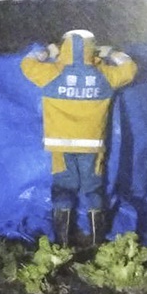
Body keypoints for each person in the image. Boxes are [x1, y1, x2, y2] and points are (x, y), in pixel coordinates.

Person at [21, 30, 137, 248]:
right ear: (91, 47)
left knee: (63, 189)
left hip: (60, 145)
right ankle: (96, 243)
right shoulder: (103, 75)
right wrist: (111, 52)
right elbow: (130, 69)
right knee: (94, 190)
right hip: (92, 146)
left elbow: (26, 65)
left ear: (64, 46)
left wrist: (46, 52)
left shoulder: (52, 74)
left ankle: (63, 243)